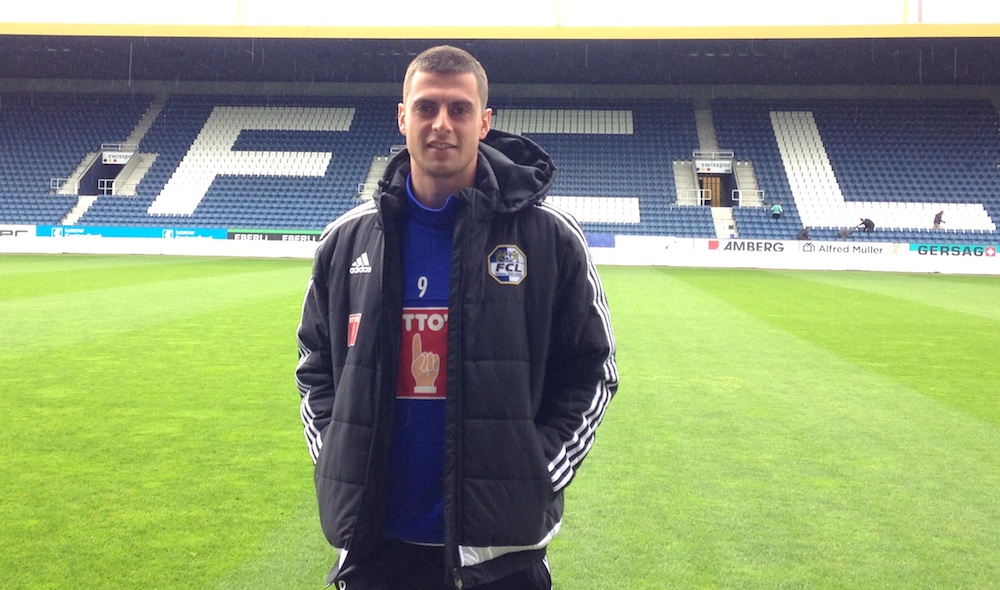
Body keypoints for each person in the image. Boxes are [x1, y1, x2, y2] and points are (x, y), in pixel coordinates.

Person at [296, 45, 618, 590]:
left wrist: (537, 473)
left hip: (501, 555)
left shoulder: (549, 237)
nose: (441, 124)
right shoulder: (346, 240)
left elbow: (593, 371)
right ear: (402, 117)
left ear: (485, 122)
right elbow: (314, 366)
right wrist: (337, 459)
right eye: (426, 107)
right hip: (377, 548)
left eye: (459, 109)